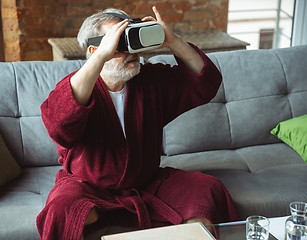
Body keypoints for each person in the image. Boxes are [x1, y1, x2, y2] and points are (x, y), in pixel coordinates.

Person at [36, 6, 240, 240]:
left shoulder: (150, 81)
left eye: (131, 42)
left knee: (208, 191)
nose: (131, 53)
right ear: (95, 51)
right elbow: (59, 127)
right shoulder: (78, 87)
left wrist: (172, 40)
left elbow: (206, 83)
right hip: (88, 187)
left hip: (147, 184)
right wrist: (100, 57)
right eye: (119, 45)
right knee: (62, 211)